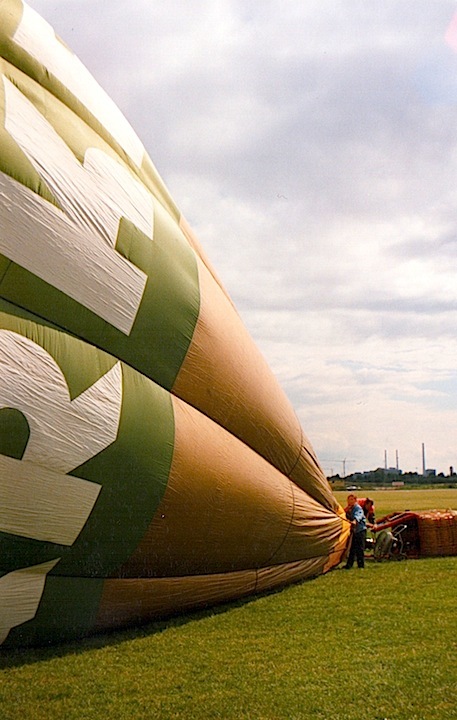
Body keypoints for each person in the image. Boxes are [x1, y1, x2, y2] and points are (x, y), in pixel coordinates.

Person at [344, 494, 367, 569]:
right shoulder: (350, 508)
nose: (349, 501)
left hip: (360, 530)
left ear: (355, 500)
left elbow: (359, 516)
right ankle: (349, 565)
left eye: (351, 500)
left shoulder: (357, 508)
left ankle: (361, 565)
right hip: (355, 531)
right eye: (348, 500)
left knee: (359, 549)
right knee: (352, 548)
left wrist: (355, 521)